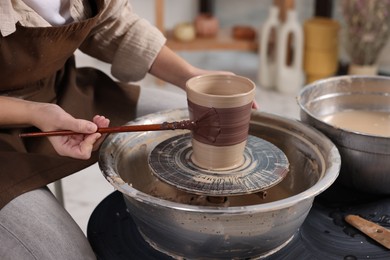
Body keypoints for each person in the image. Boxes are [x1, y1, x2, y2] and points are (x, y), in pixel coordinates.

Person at [0, 1, 258, 259]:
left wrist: (189, 76)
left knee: (198, 117)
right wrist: (34, 112)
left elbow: (113, 24)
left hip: (55, 93)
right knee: (69, 254)